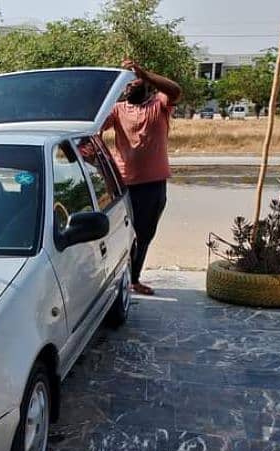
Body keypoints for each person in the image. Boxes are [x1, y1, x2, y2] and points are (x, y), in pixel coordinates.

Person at [103, 59, 181, 295]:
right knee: (115, 233)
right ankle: (115, 278)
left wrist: (144, 72)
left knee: (144, 234)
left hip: (152, 185)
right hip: (121, 184)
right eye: (125, 83)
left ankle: (133, 279)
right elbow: (92, 130)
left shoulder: (160, 104)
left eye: (133, 80)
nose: (129, 86)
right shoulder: (116, 109)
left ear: (146, 84)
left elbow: (175, 90)